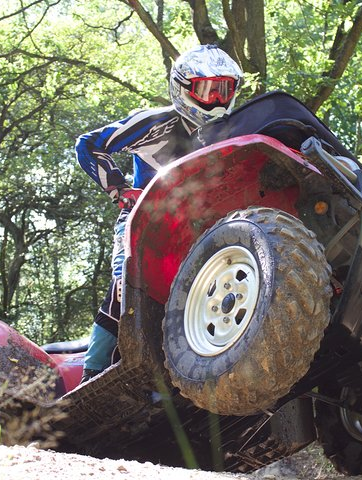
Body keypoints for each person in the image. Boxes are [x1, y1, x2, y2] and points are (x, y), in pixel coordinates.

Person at [74, 45, 244, 383]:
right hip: (143, 221)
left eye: (225, 90)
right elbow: (88, 144)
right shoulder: (154, 122)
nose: (216, 101)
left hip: (197, 228)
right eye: (207, 91)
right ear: (182, 88)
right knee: (126, 284)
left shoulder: (232, 131)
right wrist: (120, 189)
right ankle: (91, 376)